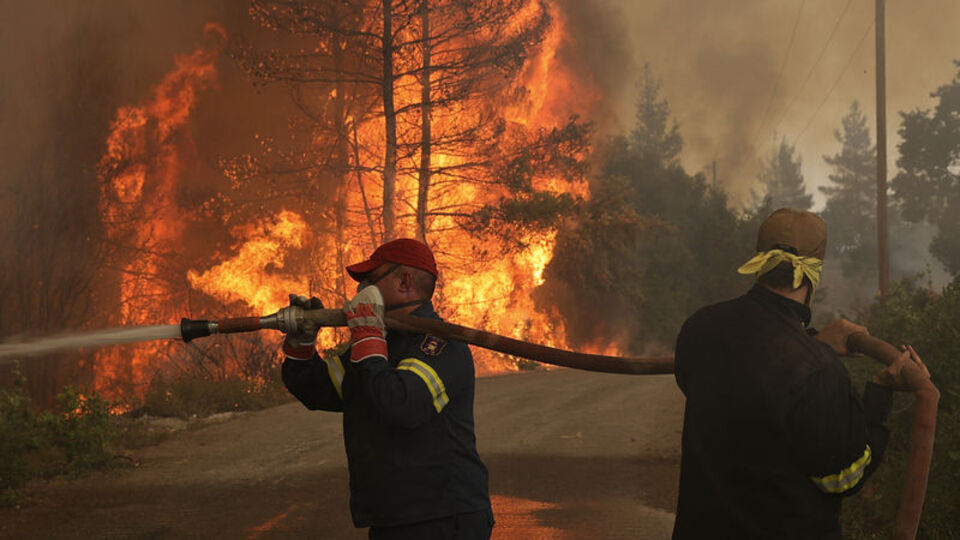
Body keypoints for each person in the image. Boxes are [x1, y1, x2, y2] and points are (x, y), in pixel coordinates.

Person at [672, 208, 931, 539]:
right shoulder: (817, 370)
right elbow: (844, 477)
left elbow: (736, 380)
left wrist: (811, 342)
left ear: (759, 261)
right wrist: (880, 392)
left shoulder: (700, 328)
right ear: (814, 272)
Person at [280, 238, 494, 540]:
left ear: (404, 281)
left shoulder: (441, 345)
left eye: (370, 280)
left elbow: (399, 405)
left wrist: (368, 337)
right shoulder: (380, 344)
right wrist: (301, 344)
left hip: (443, 518)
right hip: (392, 518)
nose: (360, 290)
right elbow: (321, 390)